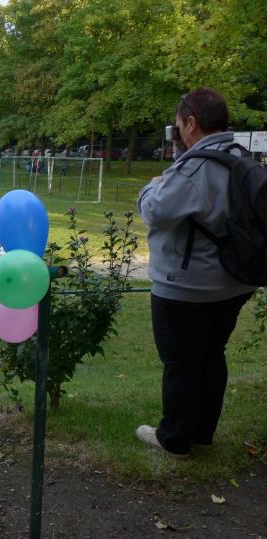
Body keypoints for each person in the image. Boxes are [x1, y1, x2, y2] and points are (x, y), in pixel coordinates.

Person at [136, 87, 257, 459]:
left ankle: (174, 439)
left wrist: (150, 187)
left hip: (187, 286)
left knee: (181, 363)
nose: (177, 135)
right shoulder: (240, 157)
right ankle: (203, 433)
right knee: (212, 355)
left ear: (191, 123)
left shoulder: (196, 166)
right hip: (234, 283)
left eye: (178, 127)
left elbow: (156, 211)